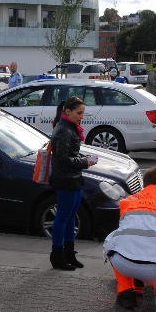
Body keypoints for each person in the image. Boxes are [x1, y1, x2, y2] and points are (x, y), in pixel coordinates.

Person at [102, 167, 156, 312]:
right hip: (153, 268)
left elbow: (126, 230)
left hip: (123, 262)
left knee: (114, 241)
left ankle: (125, 292)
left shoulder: (127, 202)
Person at [48, 96, 97, 271]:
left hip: (73, 178)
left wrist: (83, 160)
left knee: (70, 218)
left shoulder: (68, 128)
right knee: (63, 218)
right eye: (79, 113)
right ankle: (57, 256)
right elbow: (62, 159)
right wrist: (85, 162)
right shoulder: (63, 130)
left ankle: (68, 253)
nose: (82, 116)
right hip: (65, 179)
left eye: (83, 113)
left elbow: (68, 155)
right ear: (67, 112)